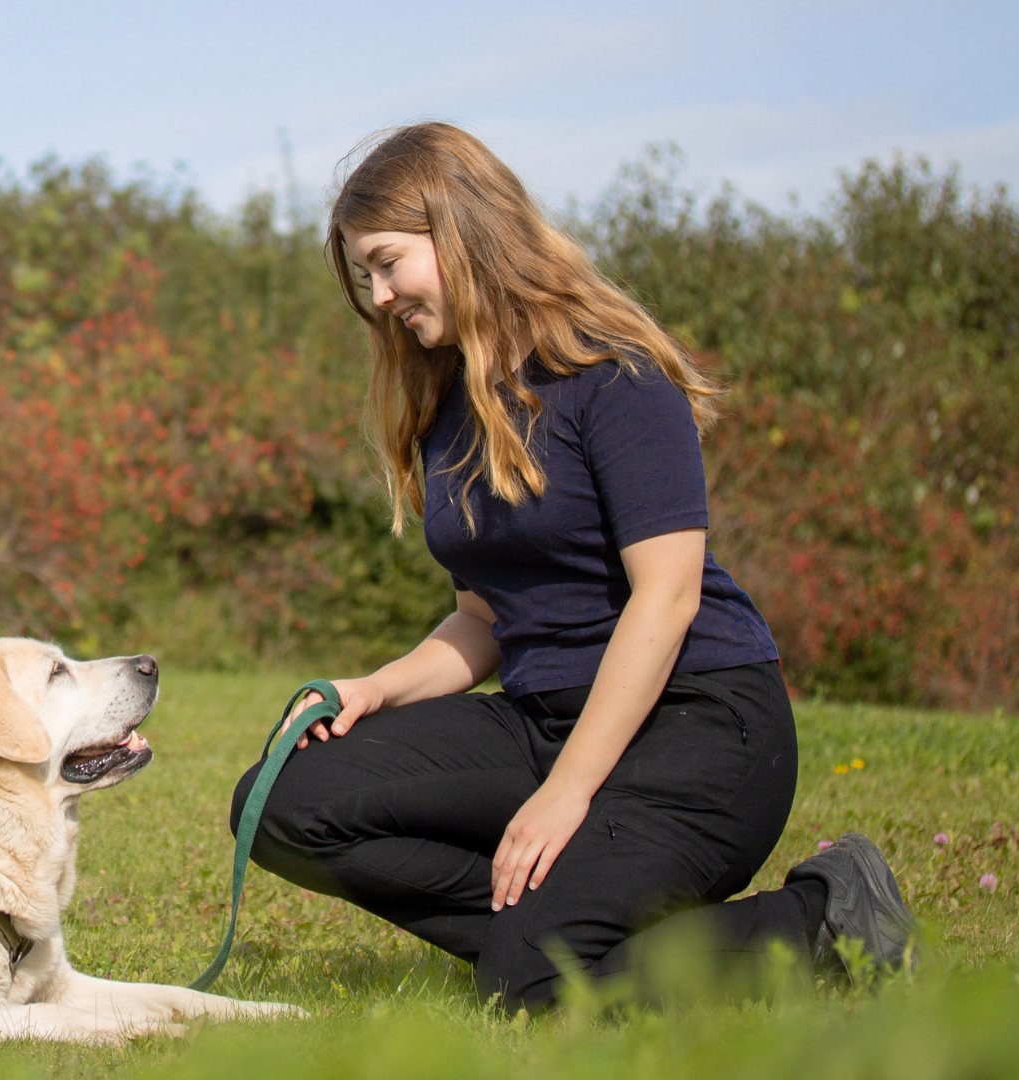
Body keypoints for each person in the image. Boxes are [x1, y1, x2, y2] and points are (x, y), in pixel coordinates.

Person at [229, 122, 916, 1013]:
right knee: (282, 797)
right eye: (367, 275)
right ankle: (583, 936)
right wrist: (381, 687)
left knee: (533, 985)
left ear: (462, 228)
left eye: (390, 262)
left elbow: (665, 600)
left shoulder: (613, 376)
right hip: (546, 718)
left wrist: (566, 794)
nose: (382, 293)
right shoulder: (454, 405)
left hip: (698, 726)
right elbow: (486, 617)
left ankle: (826, 916)